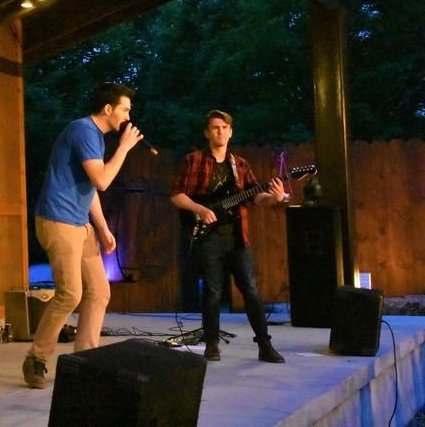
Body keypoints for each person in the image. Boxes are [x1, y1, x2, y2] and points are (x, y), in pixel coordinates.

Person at [22, 83, 143, 389]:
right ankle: (36, 358)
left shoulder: (94, 138)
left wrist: (102, 229)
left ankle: (85, 362)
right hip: (58, 220)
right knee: (71, 293)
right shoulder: (83, 131)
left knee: (99, 292)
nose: (128, 116)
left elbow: (89, 189)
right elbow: (102, 181)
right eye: (125, 109)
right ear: (108, 109)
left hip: (79, 224)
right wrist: (125, 149)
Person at [170, 110, 285, 363]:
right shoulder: (194, 160)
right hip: (208, 236)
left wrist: (274, 198)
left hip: (237, 236)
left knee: (251, 290)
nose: (219, 132)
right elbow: (176, 194)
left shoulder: (241, 165)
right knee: (212, 291)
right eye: (214, 127)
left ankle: (264, 345)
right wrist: (200, 209)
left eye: (224, 127)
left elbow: (256, 197)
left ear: (231, 131)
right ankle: (211, 344)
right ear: (206, 132)